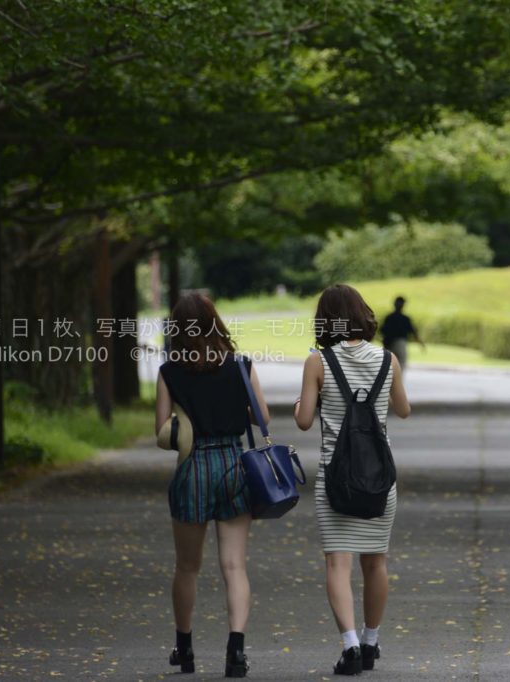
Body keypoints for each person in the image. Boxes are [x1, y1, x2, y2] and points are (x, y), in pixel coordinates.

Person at [294, 284, 411, 676]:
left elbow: (304, 420)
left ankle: (350, 646)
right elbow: (403, 409)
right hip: (380, 479)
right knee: (376, 562)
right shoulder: (388, 359)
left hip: (337, 479)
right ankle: (371, 641)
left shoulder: (317, 362)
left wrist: (300, 402)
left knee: (337, 562)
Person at [155, 292, 270, 678]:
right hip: (235, 465)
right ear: (214, 321)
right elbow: (262, 416)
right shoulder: (240, 365)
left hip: (193, 468)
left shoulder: (170, 371)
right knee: (234, 565)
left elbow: (162, 430)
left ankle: (184, 648)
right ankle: (236, 651)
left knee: (187, 566)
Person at [380, 296, 424, 369]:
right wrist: (421, 343)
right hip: (400, 344)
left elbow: (382, 331)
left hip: (389, 344)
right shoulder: (405, 319)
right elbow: (414, 332)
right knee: (400, 367)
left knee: (388, 368)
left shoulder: (389, 317)